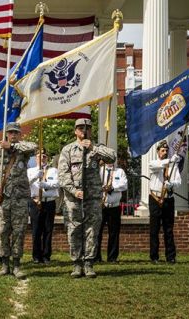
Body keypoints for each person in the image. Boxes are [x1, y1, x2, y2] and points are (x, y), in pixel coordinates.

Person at [58, 118, 115, 279]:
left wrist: (94, 148)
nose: (84, 130)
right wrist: (74, 191)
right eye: (81, 128)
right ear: (75, 131)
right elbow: (63, 175)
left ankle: (89, 263)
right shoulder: (68, 150)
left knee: (92, 230)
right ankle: (77, 263)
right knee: (74, 229)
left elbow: (112, 157)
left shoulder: (97, 148)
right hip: (73, 199)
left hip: (92, 198)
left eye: (87, 128)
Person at [0, 122, 36, 279]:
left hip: (19, 198)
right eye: (10, 132)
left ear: (20, 135)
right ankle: (5, 264)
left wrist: (12, 147)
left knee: (19, 231)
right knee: (2, 231)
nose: (13, 135)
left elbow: (34, 148)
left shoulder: (23, 149)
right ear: (6, 134)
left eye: (16, 133)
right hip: (2, 198)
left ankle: (17, 264)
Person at [149, 140, 181, 264]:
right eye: (162, 150)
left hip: (168, 198)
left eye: (167, 150)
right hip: (155, 198)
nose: (165, 152)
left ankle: (171, 256)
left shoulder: (173, 166)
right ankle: (154, 256)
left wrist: (171, 184)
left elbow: (178, 181)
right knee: (154, 229)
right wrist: (170, 161)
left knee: (168, 229)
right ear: (158, 152)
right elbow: (159, 165)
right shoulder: (154, 163)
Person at [27, 150, 58, 265]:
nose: (42, 158)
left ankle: (46, 256)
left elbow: (57, 183)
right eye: (39, 156)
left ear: (47, 157)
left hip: (49, 202)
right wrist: (36, 176)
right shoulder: (30, 171)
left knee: (48, 230)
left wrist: (45, 184)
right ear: (35, 158)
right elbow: (26, 183)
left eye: (44, 156)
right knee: (36, 230)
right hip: (36, 202)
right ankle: (36, 256)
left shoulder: (53, 170)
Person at [95, 158, 128, 263]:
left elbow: (124, 185)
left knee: (114, 233)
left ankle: (112, 257)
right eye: (107, 158)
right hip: (101, 206)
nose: (110, 161)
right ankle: (96, 257)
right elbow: (94, 185)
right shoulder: (99, 171)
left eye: (112, 159)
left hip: (114, 206)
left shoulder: (119, 171)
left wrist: (113, 187)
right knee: (97, 232)